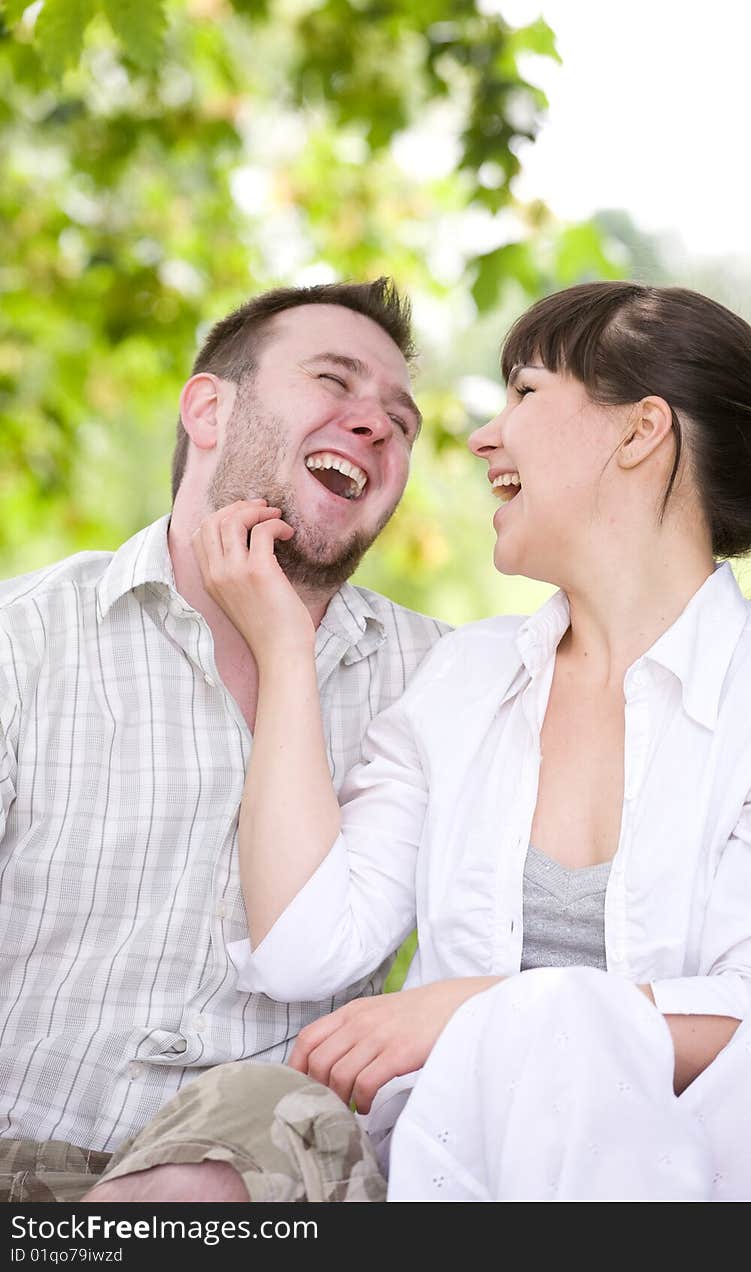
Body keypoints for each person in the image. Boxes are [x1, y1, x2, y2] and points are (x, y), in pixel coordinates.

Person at [190, 281, 751, 1201]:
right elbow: (305, 948)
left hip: (717, 1170)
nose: (482, 437)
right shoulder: (464, 680)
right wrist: (286, 652)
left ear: (639, 433)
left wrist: (484, 1011)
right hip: (466, 1161)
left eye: (523, 394)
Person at [0, 278, 449, 1204]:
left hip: (256, 1182)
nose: (375, 425)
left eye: (401, 422)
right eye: (334, 381)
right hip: (20, 1155)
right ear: (209, 408)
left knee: (270, 1108)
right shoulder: (25, 638)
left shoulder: (441, 681)